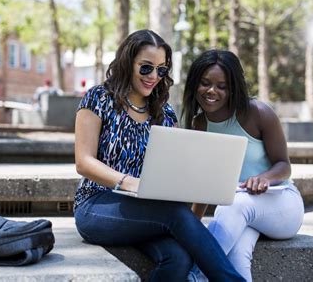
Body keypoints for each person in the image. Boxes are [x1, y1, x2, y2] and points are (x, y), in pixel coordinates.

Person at [73, 30, 245, 282]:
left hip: (149, 209)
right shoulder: (99, 98)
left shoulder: (164, 111)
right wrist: (129, 182)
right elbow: (83, 162)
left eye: (161, 70)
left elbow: (172, 169)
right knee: (173, 214)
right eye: (146, 68)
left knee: (178, 257)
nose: (154, 76)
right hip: (96, 205)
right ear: (127, 62)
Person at [181, 49, 304, 281]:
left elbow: (283, 165)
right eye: (205, 83)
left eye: (222, 86)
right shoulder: (199, 123)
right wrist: (190, 225)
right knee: (237, 256)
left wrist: (264, 178)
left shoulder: (258, 113)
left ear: (233, 87)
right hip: (242, 213)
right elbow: (207, 183)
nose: (211, 91)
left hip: (282, 204)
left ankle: (195, 277)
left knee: (232, 204)